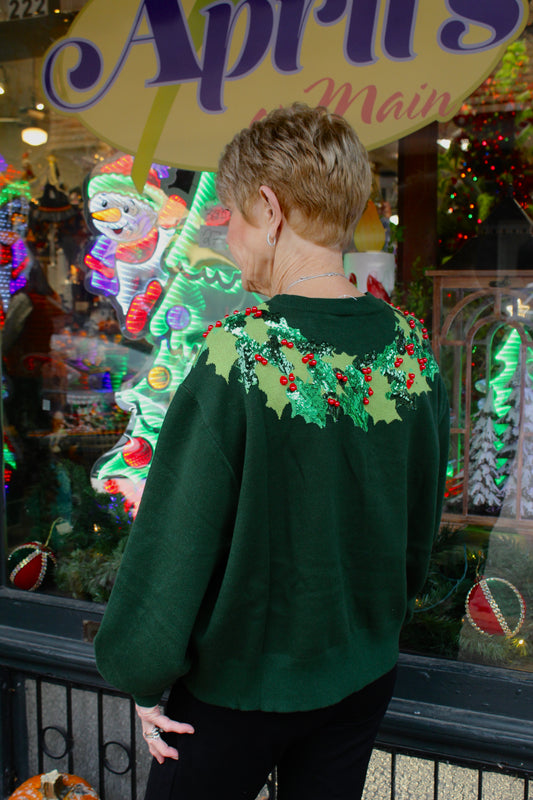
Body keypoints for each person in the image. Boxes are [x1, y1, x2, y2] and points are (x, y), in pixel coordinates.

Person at [94, 103, 450, 800]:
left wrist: (142, 673)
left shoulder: (241, 353)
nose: (229, 240)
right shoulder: (410, 348)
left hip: (240, 689)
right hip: (362, 674)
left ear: (269, 208)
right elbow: (420, 524)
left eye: (230, 217)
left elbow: (177, 534)